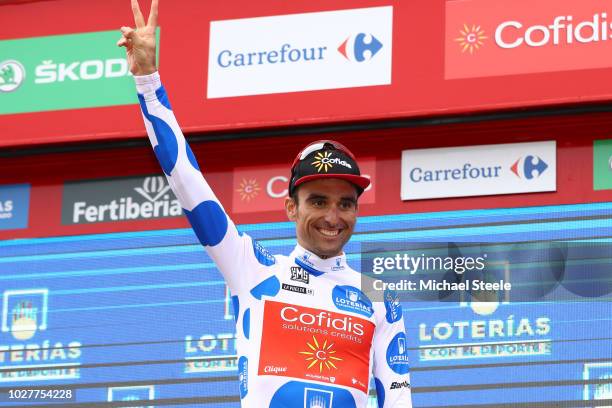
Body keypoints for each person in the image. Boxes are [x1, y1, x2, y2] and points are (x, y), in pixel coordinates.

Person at [118, 1, 412, 406]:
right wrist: (148, 82)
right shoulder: (250, 266)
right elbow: (187, 180)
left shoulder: (380, 300)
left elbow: (399, 402)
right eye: (318, 200)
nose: (332, 216)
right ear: (291, 207)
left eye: (346, 203)